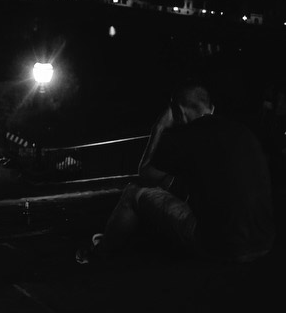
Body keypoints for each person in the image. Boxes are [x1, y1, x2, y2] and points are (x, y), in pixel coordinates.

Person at [76, 82, 277, 265]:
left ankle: (100, 252)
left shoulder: (186, 135)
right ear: (211, 108)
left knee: (133, 193)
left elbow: (145, 174)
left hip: (222, 247)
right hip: (263, 242)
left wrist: (159, 127)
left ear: (179, 112)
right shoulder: (242, 131)